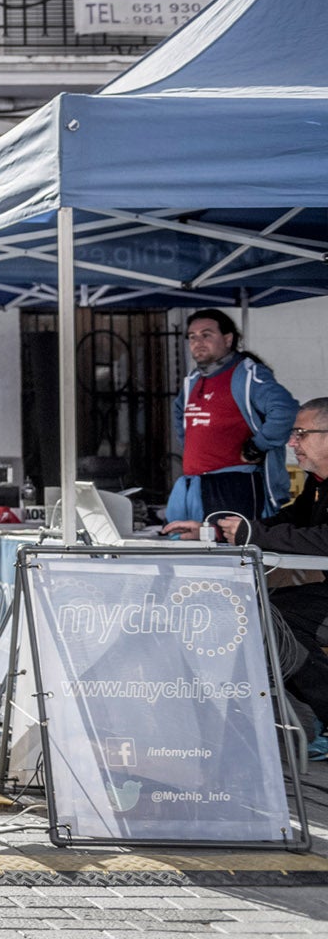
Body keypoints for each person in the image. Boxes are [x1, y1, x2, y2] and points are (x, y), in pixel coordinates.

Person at [168, 396, 328, 755]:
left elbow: (322, 539)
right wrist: (214, 529)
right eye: (292, 434)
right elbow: (284, 523)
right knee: (259, 614)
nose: (292, 443)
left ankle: (317, 715)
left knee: (272, 619)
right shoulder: (317, 483)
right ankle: (308, 717)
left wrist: (251, 534)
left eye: (301, 434)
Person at [164, 309, 297, 523]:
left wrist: (258, 445)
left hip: (236, 485)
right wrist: (191, 446)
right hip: (195, 485)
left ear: (228, 339)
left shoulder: (248, 374)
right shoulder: (193, 379)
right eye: (192, 337)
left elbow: (285, 410)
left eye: (206, 335)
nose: (198, 342)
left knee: (234, 552)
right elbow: (179, 411)